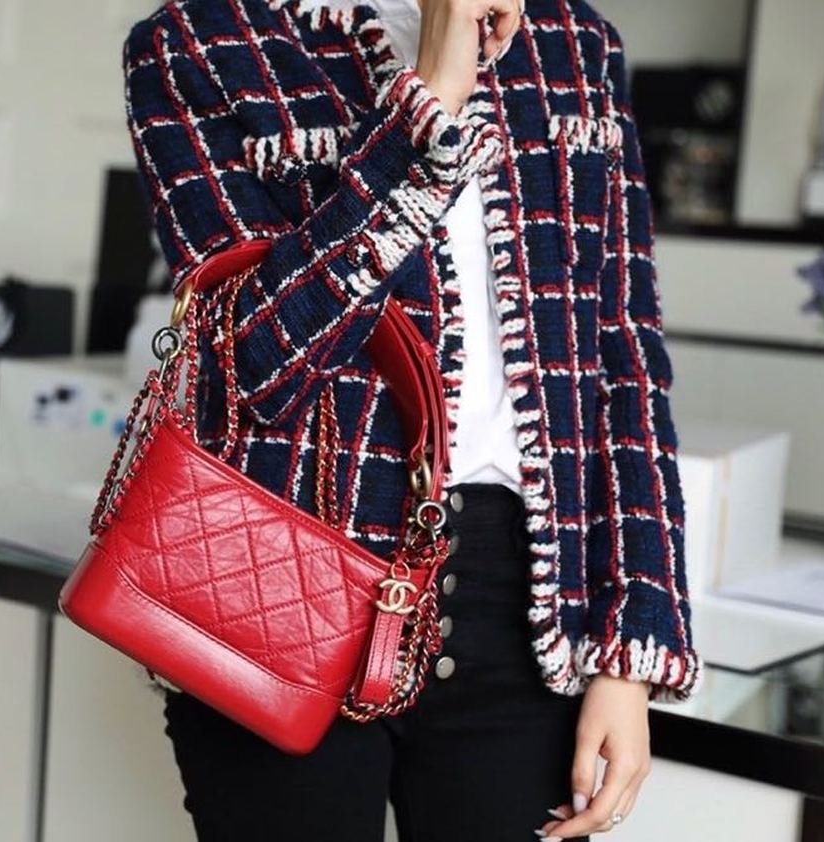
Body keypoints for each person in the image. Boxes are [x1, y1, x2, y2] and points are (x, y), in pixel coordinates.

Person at [121, 0, 705, 839]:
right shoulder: (198, 41)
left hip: (522, 607)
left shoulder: (575, 43)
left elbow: (625, 355)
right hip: (280, 576)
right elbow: (254, 359)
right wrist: (426, 101)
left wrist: (633, 647)